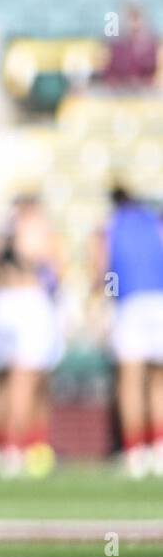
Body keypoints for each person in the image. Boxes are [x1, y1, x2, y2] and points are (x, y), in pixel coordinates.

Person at [0, 194, 64, 478]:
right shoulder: (35, 227)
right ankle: (15, 448)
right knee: (24, 378)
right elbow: (55, 269)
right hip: (27, 302)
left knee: (1, 379)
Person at [92, 185, 163, 477]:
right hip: (159, 302)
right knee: (159, 383)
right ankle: (158, 449)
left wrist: (106, 296)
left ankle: (135, 451)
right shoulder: (154, 221)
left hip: (130, 303)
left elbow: (103, 270)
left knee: (130, 381)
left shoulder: (110, 226)